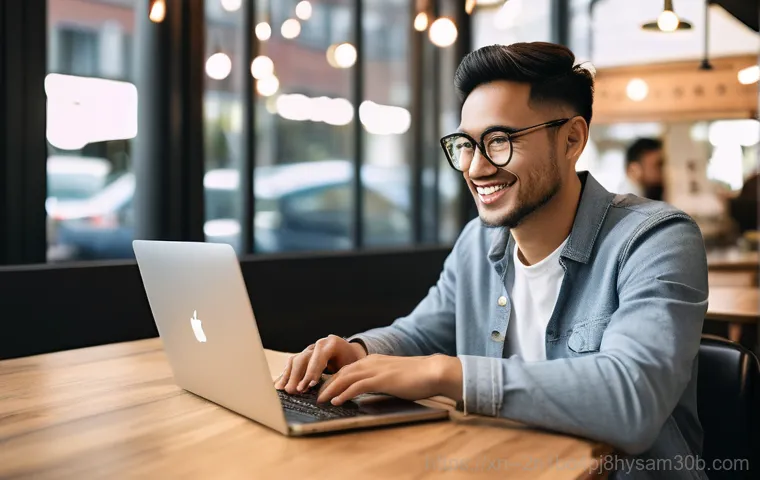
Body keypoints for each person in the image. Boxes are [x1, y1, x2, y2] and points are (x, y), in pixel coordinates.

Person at [276, 42, 708, 479]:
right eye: (465, 144)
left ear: (572, 139)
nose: (475, 167)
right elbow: (422, 330)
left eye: (499, 141)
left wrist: (446, 374)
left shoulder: (656, 238)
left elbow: (633, 399)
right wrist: (360, 351)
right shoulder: (477, 242)